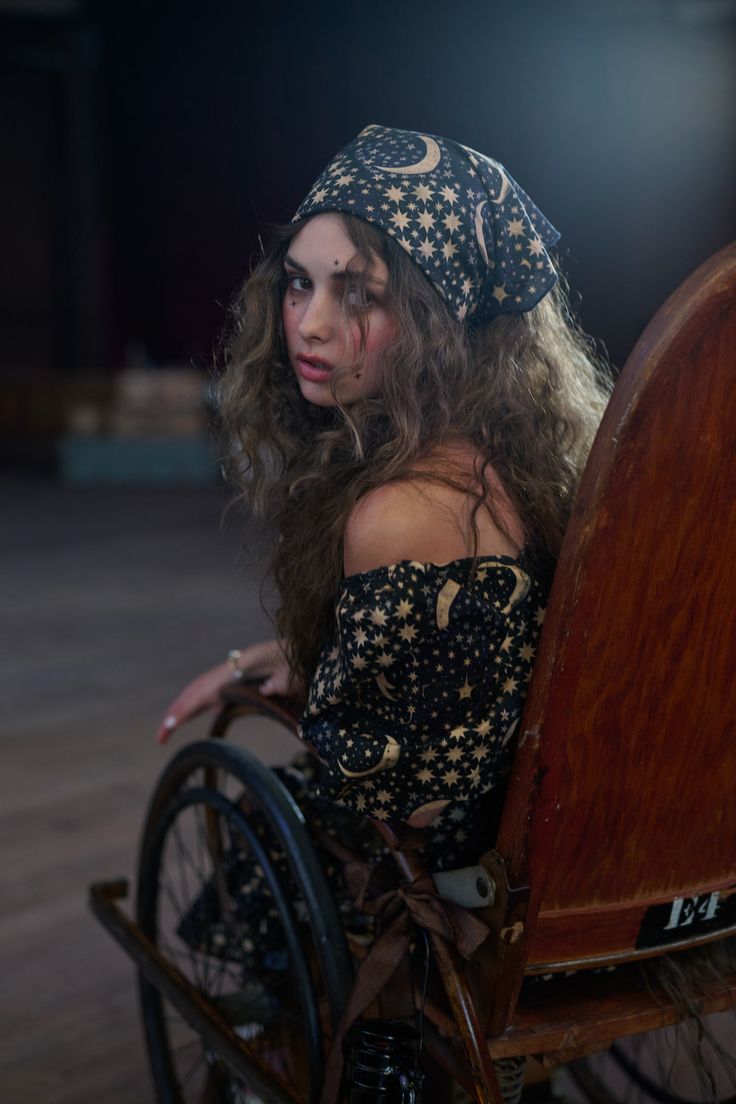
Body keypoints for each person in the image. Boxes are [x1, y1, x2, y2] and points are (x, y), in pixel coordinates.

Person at [155, 123, 611, 1100]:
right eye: (298, 282)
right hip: (544, 841)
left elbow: (391, 799)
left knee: (261, 810)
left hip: (436, 880)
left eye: (359, 293)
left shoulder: (399, 512)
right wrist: (293, 649)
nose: (309, 324)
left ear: (445, 317)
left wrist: (314, 685)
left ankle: (272, 1043)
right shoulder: (514, 469)